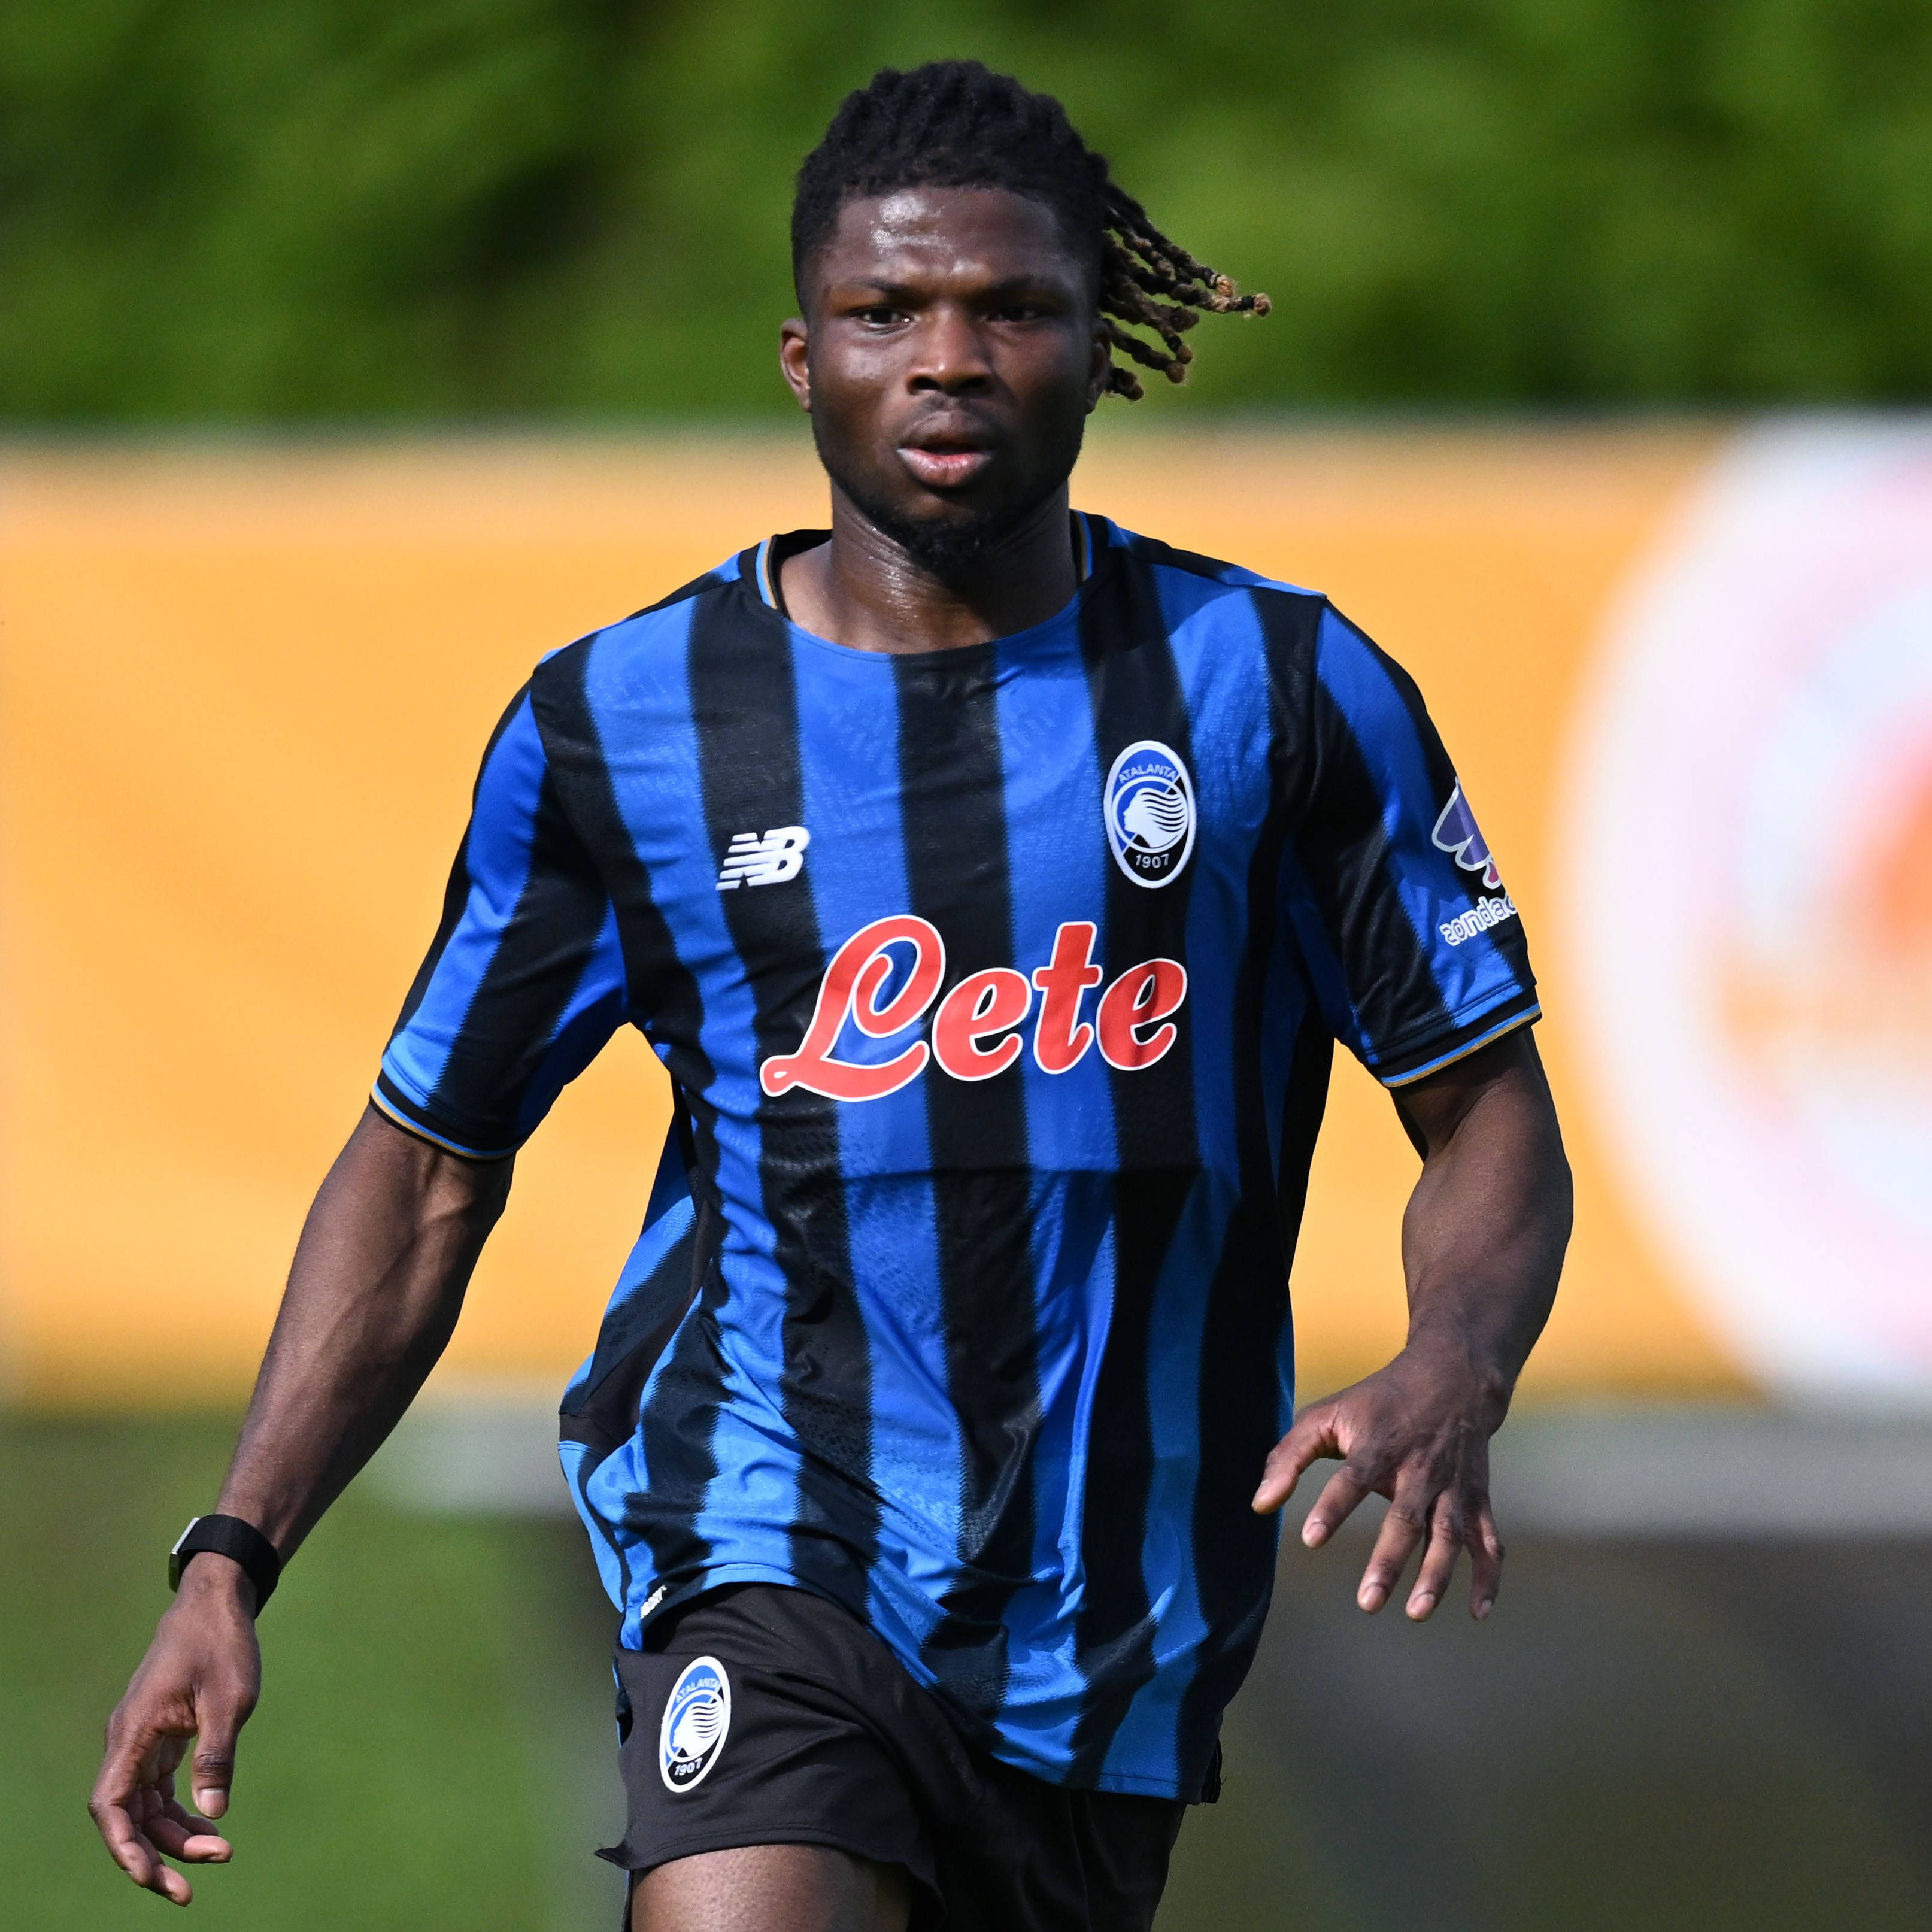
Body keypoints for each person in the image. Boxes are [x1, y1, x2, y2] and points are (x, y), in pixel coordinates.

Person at [90, 59, 1572, 1932]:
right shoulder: (619, 723)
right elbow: (427, 1163)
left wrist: (1456, 1358)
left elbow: (1484, 1109)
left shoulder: (1276, 685)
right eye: (885, 312)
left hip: (1113, 1628)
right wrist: (229, 1556)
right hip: (765, 1538)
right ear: (802, 359)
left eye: (1011, 307)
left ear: (1093, 346)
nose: (946, 359)